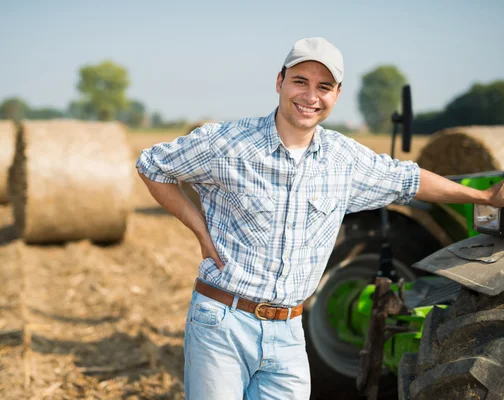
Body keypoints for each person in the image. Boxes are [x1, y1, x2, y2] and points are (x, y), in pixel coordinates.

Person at [135, 37, 504, 400]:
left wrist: (484, 196)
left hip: (290, 333)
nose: (310, 97)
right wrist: (199, 227)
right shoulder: (228, 142)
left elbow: (409, 179)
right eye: (300, 81)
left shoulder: (344, 158)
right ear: (280, 82)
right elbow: (152, 165)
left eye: (323, 87)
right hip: (224, 322)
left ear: (336, 94)